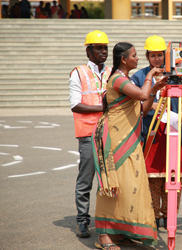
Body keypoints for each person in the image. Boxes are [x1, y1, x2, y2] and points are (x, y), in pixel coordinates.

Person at [92, 42, 164, 250]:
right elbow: (141, 94)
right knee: (111, 185)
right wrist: (150, 77)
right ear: (123, 59)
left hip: (129, 138)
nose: (138, 58)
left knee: (127, 185)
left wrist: (154, 90)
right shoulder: (117, 79)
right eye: (134, 55)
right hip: (115, 139)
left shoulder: (126, 80)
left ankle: (120, 231)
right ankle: (104, 235)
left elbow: (142, 109)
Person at [131, 35, 182, 230]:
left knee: (174, 178)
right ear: (147, 56)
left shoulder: (176, 75)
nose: (156, 59)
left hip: (173, 133)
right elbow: (137, 105)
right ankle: (154, 216)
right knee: (152, 179)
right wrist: (153, 102)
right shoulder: (140, 77)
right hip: (150, 135)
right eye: (152, 55)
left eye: (160, 55)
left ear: (166, 55)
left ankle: (170, 215)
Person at [68, 30, 111, 239]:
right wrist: (102, 109)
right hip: (88, 134)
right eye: (98, 48)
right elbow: (75, 105)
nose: (103, 52)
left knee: (109, 180)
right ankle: (82, 221)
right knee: (86, 180)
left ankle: (107, 221)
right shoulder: (78, 72)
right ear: (88, 50)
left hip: (110, 133)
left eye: (105, 48)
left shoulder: (112, 72)